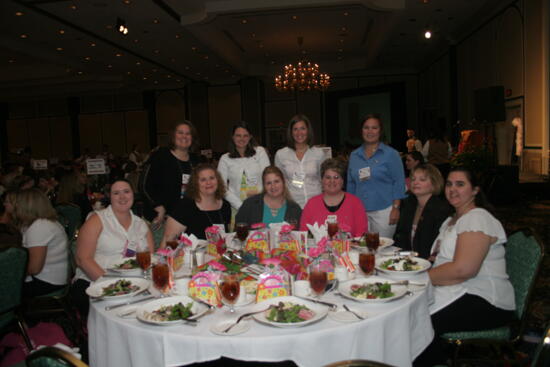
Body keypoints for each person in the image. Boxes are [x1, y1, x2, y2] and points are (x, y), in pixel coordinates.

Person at [414, 167, 516, 366]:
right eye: (449, 184)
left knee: (419, 320)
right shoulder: (451, 220)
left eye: (460, 184)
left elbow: (464, 270)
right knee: (411, 311)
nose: (453, 189)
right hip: (457, 289)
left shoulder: (478, 218)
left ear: (475, 190)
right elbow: (441, 258)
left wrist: (417, 278)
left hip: (485, 300)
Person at [73, 179, 154, 317]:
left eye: (126, 192)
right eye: (116, 193)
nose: (122, 197)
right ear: (109, 197)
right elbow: (82, 259)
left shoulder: (141, 224)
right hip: (95, 281)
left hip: (133, 283)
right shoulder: (96, 220)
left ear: (133, 195)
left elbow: (150, 258)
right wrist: (111, 285)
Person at [347, 114, 406, 238]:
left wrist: (396, 208)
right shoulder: (354, 155)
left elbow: (399, 182)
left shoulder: (391, 154)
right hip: (359, 211)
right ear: (361, 130)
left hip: (384, 211)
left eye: (374, 128)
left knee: (382, 249)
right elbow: (351, 184)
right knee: (361, 248)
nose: (370, 131)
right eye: (366, 127)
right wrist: (350, 209)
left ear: (380, 130)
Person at [12, 188, 69, 297]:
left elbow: (34, 268)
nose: (16, 207)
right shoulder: (45, 222)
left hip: (48, 281)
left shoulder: (39, 226)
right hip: (53, 278)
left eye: (17, 203)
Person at [142, 120, 200, 224]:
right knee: (166, 241)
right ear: (173, 136)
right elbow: (144, 185)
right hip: (161, 218)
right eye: (180, 133)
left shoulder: (196, 161)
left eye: (188, 133)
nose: (184, 136)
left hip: (188, 218)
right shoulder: (160, 156)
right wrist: (157, 205)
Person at [394, 164, 452, 259]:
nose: (415, 182)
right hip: (409, 259)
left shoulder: (441, 209)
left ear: (434, 184)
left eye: (422, 180)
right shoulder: (408, 204)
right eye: (413, 179)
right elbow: (400, 237)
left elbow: (436, 246)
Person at [162, 164, 231, 243]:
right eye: (203, 180)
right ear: (195, 184)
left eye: (212, 178)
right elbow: (168, 241)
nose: (208, 182)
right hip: (191, 254)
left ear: (218, 180)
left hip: (219, 254)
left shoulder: (225, 206)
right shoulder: (184, 207)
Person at [300, 158, 368, 237]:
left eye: (336, 177)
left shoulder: (355, 203)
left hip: (350, 249)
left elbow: (361, 234)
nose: (332, 181)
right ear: (322, 180)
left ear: (343, 181)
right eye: (328, 177)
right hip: (318, 249)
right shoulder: (311, 204)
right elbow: (304, 234)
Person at [217, 122, 270, 213]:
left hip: (261, 203)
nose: (242, 139)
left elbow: (268, 178)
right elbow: (221, 187)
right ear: (233, 137)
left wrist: (258, 196)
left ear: (250, 137)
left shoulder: (260, 152)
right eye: (238, 135)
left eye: (245, 136)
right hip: (236, 207)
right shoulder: (225, 159)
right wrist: (241, 206)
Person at [275, 114, 324, 209]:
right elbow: (280, 182)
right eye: (295, 129)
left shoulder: (319, 153)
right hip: (292, 206)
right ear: (291, 132)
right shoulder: (281, 155)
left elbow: (323, 180)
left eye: (303, 128)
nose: (299, 133)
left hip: (316, 204)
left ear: (308, 130)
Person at [236, 166, 302, 226]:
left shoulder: (295, 209)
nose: (273, 186)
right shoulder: (249, 205)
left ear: (283, 182)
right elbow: (238, 231)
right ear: (264, 186)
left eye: (276, 181)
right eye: (268, 183)